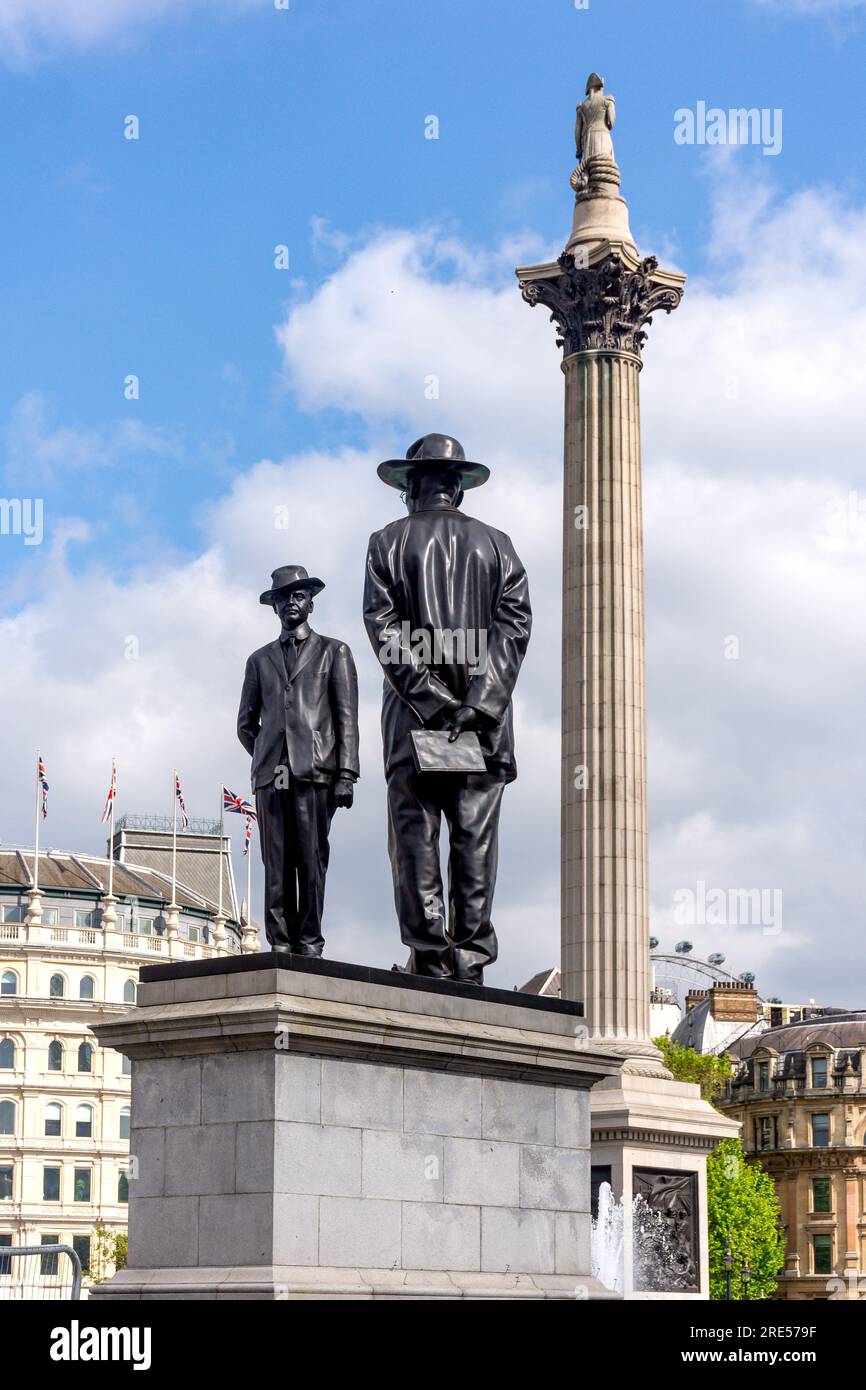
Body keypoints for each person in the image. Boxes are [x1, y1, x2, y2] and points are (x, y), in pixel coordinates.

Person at [363, 434, 531, 984]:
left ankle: (430, 957)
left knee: (415, 840)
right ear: (457, 489)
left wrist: (432, 701)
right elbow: (514, 626)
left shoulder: (387, 542)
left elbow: (383, 629)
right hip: (482, 727)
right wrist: (478, 705)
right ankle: (471, 960)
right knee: (474, 842)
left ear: (411, 487)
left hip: (415, 722)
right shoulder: (497, 544)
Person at [237, 565, 359, 955]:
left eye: (298, 595)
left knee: (310, 859)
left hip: (316, 772)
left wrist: (346, 774)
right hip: (272, 775)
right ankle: (280, 941)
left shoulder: (335, 651)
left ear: (310, 603)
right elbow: (245, 723)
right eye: (282, 597)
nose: (291, 602)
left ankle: (309, 940)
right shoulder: (259, 660)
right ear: (273, 607)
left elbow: (346, 717)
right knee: (276, 862)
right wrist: (266, 754)